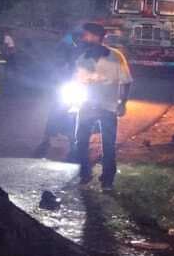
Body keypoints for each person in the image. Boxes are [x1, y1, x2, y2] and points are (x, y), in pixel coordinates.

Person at [68, 22, 132, 190]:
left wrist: (122, 103)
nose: (83, 38)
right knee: (80, 142)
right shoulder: (82, 59)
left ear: (96, 37)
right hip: (86, 105)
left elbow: (126, 81)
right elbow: (77, 82)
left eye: (86, 35)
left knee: (108, 145)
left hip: (108, 107)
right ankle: (85, 174)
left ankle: (107, 180)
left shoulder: (115, 56)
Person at [33, 29, 80, 158]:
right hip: (63, 83)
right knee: (56, 112)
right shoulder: (63, 47)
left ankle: (73, 142)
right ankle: (47, 139)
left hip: (76, 82)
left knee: (75, 114)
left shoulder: (80, 49)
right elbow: (57, 65)